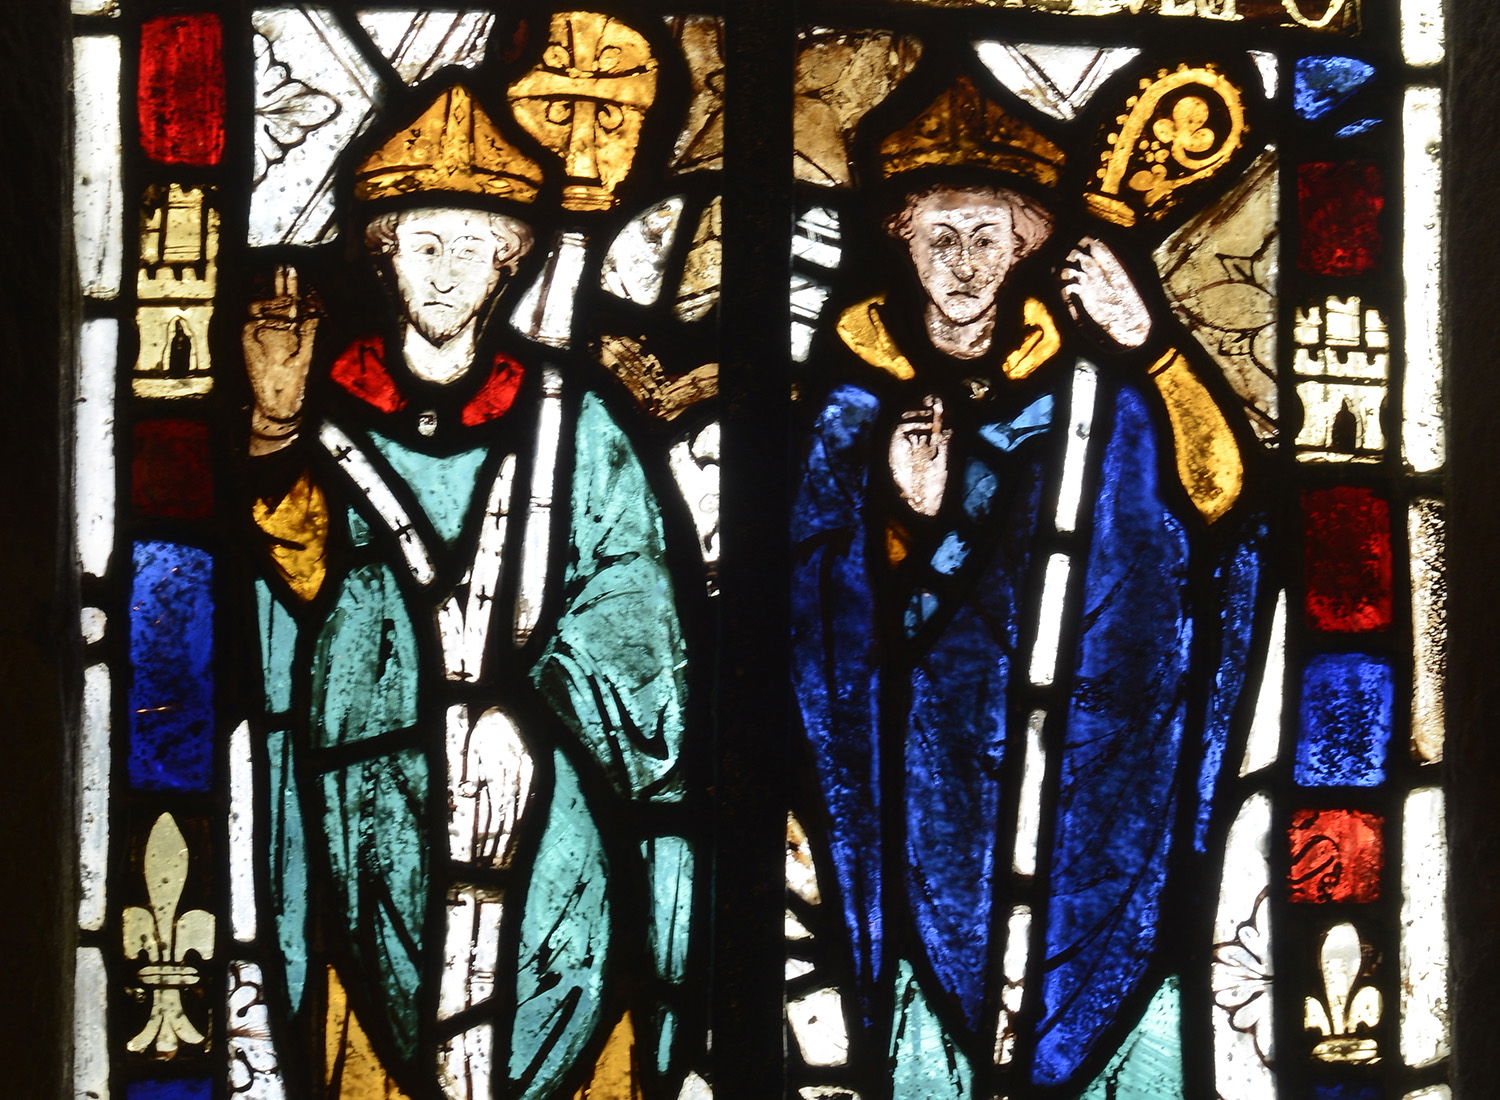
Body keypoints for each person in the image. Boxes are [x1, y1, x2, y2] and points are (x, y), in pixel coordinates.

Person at [791, 73, 1264, 1094]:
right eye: (940, 235)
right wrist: (908, 525)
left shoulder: (1098, 402)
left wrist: (1155, 349)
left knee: (1104, 1004)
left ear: (1025, 247)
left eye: (986, 235)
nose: (962, 261)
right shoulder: (847, 409)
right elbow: (816, 609)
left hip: (1090, 772)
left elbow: (1215, 507)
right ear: (901, 243)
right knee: (932, 1022)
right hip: (929, 780)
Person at [242, 83, 694, 1099]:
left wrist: (539, 713)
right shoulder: (329, 418)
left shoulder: (575, 428)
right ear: (385, 253)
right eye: (424, 243)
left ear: (511, 258)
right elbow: (293, 595)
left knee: (570, 1035)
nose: (446, 271)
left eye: (472, 244)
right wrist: (271, 438)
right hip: (372, 808)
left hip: (554, 828)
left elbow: (640, 619)